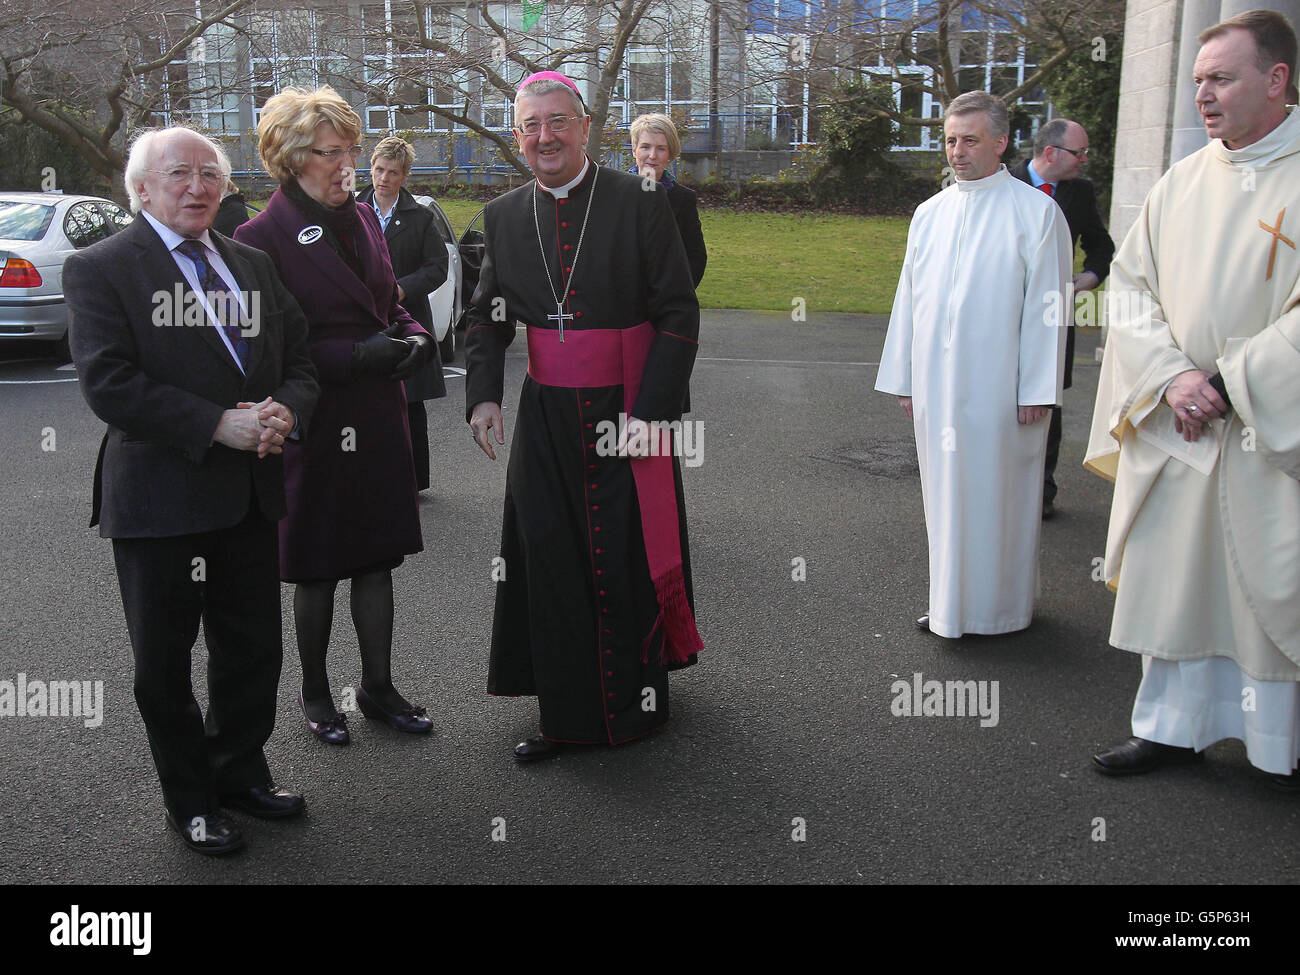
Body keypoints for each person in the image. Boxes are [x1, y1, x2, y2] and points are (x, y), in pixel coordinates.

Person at [65, 126, 320, 855]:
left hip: (247, 496)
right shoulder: (102, 268)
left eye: (210, 174)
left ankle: (238, 771)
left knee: (252, 651)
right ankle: (191, 800)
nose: (198, 186)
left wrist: (285, 412)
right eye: (179, 173)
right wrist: (217, 425)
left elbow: (298, 360)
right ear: (140, 189)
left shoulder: (251, 263)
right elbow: (109, 383)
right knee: (165, 665)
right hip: (159, 502)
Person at [1088, 10, 1300, 788]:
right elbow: (1130, 286)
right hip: (1182, 425)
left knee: (1264, 590)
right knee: (1178, 586)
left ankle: (1280, 742)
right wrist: (1171, 377)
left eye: (1220, 78)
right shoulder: (1183, 179)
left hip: (1264, 434)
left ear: (1276, 79)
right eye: (1197, 81)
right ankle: (1171, 729)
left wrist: (1229, 382)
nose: (1203, 96)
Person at [465, 71, 702, 761]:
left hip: (626, 408)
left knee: (623, 555)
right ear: (517, 136)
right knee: (550, 559)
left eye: (558, 122)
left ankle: (637, 705)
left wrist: (652, 414)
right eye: (532, 125)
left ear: (585, 124)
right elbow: (488, 315)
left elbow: (679, 313)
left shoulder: (638, 201)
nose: (546, 137)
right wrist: (483, 394)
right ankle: (566, 715)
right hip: (545, 417)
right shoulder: (504, 216)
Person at [236, 87, 435, 746]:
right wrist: (356, 354)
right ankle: (318, 694)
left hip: (378, 414)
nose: (346, 164)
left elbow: (386, 300)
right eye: (329, 153)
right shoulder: (259, 238)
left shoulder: (364, 218)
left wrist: (409, 335)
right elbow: (267, 351)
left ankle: (378, 687)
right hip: (316, 421)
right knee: (318, 566)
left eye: (351, 149)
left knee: (376, 561)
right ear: (289, 159)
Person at [875, 90, 1071, 638]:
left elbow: (1048, 308)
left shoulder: (1036, 212)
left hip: (1001, 388)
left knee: (999, 495)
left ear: (1001, 142)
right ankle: (949, 603)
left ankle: (1001, 610)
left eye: (969, 140)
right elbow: (909, 297)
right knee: (945, 495)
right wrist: (905, 376)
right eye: (950, 140)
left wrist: (1037, 387)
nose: (957, 152)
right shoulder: (930, 213)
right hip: (938, 387)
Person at [1009, 119, 1115, 518]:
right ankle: (998, 487)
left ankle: (1041, 493)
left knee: (1046, 399)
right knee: (1000, 395)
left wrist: (1089, 277)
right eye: (1079, 152)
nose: (1085, 160)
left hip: (1055, 316)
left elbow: (1101, 246)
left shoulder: (1080, 193)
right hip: (1004, 316)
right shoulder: (1007, 183)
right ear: (1050, 152)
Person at [356, 136, 448, 491]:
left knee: (409, 402)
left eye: (393, 172)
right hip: (365, 317)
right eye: (379, 169)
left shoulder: (420, 217)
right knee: (368, 400)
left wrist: (402, 288)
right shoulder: (351, 209)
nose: (383, 178)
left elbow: (437, 267)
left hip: (406, 316)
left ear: (404, 175)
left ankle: (413, 478)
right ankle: (370, 474)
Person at [629, 113, 706, 288]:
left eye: (661, 148)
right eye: (645, 147)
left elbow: (696, 256)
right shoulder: (614, 193)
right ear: (635, 150)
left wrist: (677, 294)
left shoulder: (683, 199)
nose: (652, 155)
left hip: (666, 301)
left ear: (670, 154)